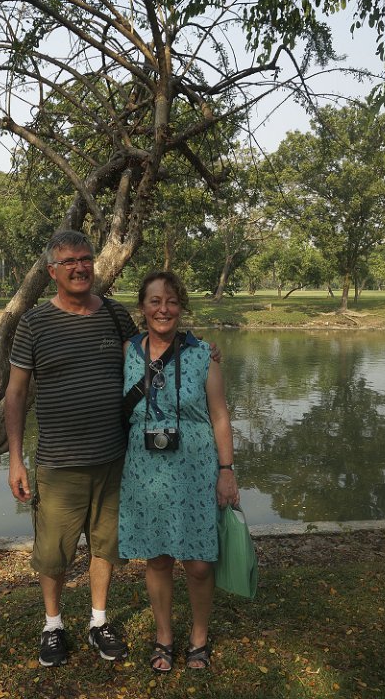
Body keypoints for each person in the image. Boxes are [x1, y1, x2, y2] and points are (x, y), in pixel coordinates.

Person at [4, 229, 138, 667]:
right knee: (53, 553)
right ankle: (53, 625)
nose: (80, 268)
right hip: (59, 464)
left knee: (105, 546)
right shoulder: (34, 323)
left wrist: (199, 351)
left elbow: (148, 364)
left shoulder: (116, 316)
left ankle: (99, 621)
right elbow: (16, 395)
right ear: (52, 272)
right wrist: (16, 459)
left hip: (114, 458)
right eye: (69, 262)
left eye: (85, 259)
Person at [118, 270, 239, 672]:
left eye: (171, 301)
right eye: (155, 301)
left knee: (199, 562)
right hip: (145, 469)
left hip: (196, 468)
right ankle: (164, 636)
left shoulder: (203, 354)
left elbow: (220, 416)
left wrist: (227, 470)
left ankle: (199, 638)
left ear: (181, 307)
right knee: (158, 558)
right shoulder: (128, 351)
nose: (163, 309)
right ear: (142, 307)